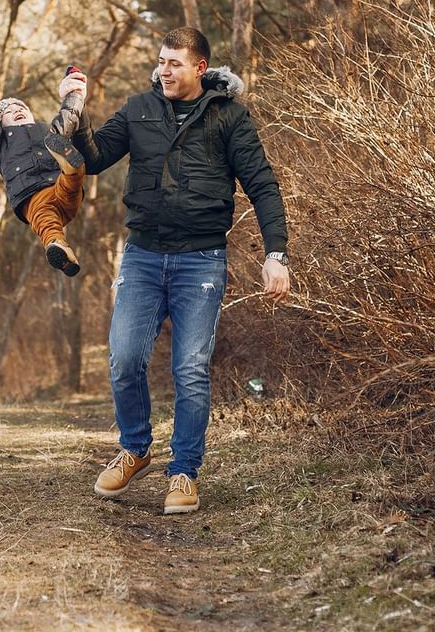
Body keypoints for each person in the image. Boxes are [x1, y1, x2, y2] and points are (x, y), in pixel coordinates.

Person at [61, 27, 291, 515]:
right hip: (143, 255)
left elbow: (264, 187)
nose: (163, 70)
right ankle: (136, 448)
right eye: (161, 61)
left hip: (200, 261)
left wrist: (276, 254)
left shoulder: (229, 118)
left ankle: (184, 471)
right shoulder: (139, 109)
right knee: (124, 359)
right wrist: (76, 114)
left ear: (200, 68)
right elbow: (97, 157)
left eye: (174, 63)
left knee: (189, 369)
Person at [0, 62, 88, 275]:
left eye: (21, 108)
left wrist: (75, 93)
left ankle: (72, 166)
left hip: (60, 184)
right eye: (8, 112)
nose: (17, 110)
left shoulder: (47, 132)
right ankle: (60, 250)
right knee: (46, 223)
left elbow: (68, 116)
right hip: (32, 196)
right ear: (0, 125)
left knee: (71, 175)